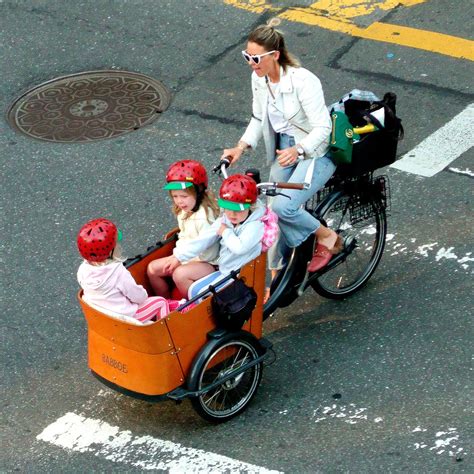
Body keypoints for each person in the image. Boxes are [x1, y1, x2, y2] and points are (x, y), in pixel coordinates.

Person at [221, 18, 343, 295]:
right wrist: (240, 147)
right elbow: (257, 117)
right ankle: (278, 280)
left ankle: (328, 238)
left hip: (315, 151)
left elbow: (323, 128)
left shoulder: (303, 81)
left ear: (275, 55)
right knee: (269, 213)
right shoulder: (259, 79)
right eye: (246, 56)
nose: (251, 63)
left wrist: (299, 150)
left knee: (282, 209)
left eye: (255, 57)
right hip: (283, 149)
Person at [164, 174, 265, 299]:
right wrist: (179, 256)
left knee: (201, 296)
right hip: (226, 270)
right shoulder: (226, 219)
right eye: (227, 208)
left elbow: (240, 248)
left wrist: (226, 232)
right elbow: (205, 238)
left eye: (237, 210)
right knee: (194, 291)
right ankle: (191, 309)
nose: (232, 214)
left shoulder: (255, 226)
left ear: (250, 206)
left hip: (241, 275)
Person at [147, 159, 220, 298]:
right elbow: (184, 237)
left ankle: (190, 306)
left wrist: (181, 259)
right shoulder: (184, 211)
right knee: (152, 268)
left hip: (207, 262)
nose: (179, 201)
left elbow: (209, 251)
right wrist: (178, 256)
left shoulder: (203, 218)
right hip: (185, 255)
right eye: (175, 196)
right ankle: (166, 303)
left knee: (179, 274)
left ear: (198, 193)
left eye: (184, 196)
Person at [77, 218, 168, 324]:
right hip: (126, 317)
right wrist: (144, 294)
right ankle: (165, 331)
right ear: (111, 251)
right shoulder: (117, 272)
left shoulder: (83, 270)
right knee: (161, 302)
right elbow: (138, 297)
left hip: (103, 314)